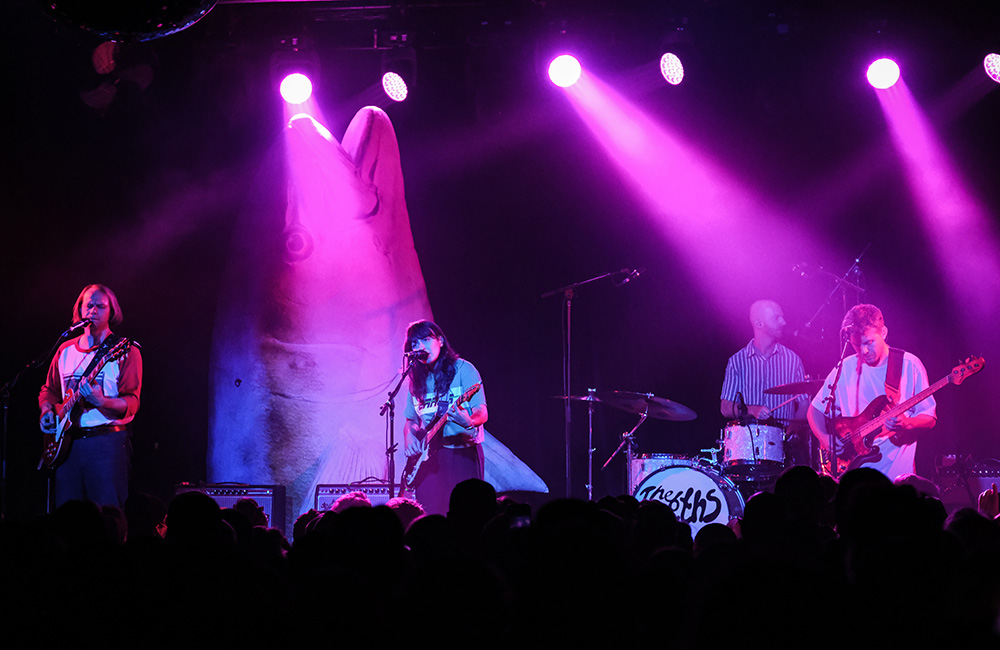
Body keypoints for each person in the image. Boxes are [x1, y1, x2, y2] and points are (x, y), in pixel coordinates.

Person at [38, 284, 142, 509]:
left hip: (106, 443)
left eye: (100, 307)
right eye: (89, 306)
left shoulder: (126, 350)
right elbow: (49, 390)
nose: (93, 311)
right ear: (80, 310)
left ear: (111, 312)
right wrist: (47, 410)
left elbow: (132, 402)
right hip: (67, 444)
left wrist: (101, 401)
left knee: (107, 514)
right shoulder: (65, 350)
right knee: (67, 515)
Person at [807, 304, 935, 481]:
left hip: (896, 476)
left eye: (868, 343)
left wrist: (906, 423)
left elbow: (929, 417)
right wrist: (824, 438)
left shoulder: (909, 365)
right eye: (856, 345)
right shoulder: (845, 367)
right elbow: (815, 410)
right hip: (852, 475)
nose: (863, 351)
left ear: (883, 333)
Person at [403, 320, 487, 516]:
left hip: (462, 453)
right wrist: (409, 436)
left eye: (425, 339)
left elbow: (482, 412)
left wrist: (469, 421)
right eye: (415, 343)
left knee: (468, 515)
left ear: (440, 341)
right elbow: (411, 420)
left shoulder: (463, 369)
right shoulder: (416, 379)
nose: (420, 347)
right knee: (431, 515)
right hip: (430, 459)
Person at [720, 300, 810, 465]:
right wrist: (751, 409)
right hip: (747, 449)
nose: (783, 322)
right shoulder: (737, 361)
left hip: (785, 448)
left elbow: (804, 405)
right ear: (759, 323)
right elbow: (725, 407)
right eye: (777, 318)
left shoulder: (793, 360)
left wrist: (792, 429)